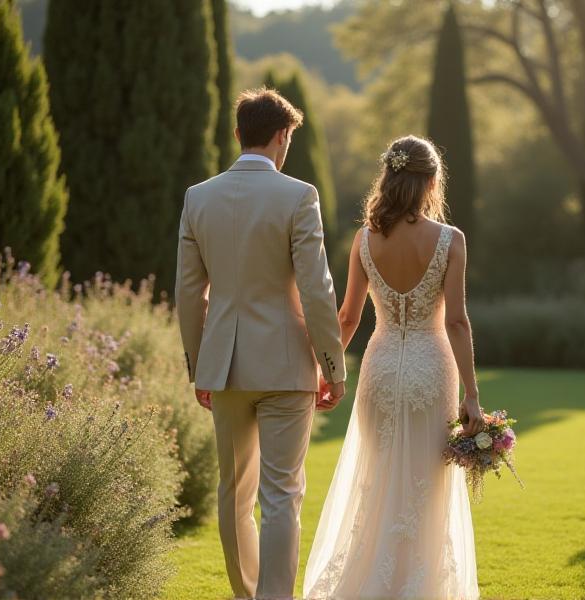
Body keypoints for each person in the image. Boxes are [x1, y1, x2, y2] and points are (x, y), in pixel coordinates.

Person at [175, 87, 346, 600]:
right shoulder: (299, 196)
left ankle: (247, 595)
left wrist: (198, 368)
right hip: (286, 365)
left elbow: (188, 293)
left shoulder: (196, 197)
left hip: (222, 368)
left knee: (234, 495)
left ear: (236, 135)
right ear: (282, 136)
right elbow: (317, 290)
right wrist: (332, 366)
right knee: (282, 495)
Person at [304, 135, 482, 599]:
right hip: (431, 367)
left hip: (380, 369)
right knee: (425, 484)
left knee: (378, 479)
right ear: (429, 182)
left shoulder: (365, 240)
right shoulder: (450, 240)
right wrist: (472, 396)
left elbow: (347, 317)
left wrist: (326, 373)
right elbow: (459, 322)